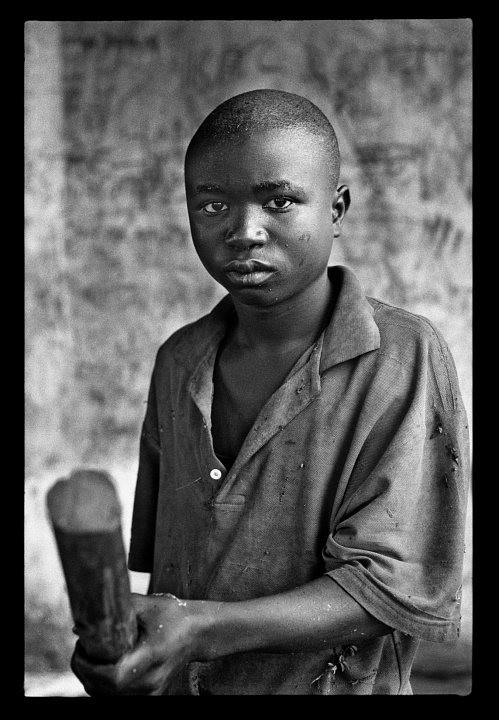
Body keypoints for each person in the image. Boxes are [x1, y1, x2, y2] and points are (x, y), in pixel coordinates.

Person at [71, 89, 470, 695]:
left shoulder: (401, 356)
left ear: (336, 210)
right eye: (211, 206)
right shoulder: (180, 361)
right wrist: (136, 647)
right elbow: (175, 575)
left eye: (280, 201)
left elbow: (398, 586)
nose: (244, 231)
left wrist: (200, 629)